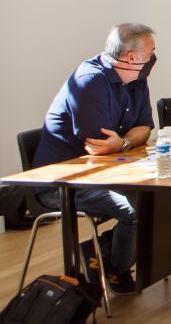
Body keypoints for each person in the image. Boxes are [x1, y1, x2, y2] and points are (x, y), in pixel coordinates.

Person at [32, 23, 158, 295]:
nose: (153, 58)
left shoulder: (137, 78)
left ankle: (103, 249)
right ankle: (116, 268)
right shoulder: (88, 80)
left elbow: (145, 128)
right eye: (151, 52)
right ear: (132, 57)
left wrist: (123, 142)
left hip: (105, 173)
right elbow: (99, 146)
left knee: (159, 199)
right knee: (137, 210)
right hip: (63, 183)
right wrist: (124, 141)